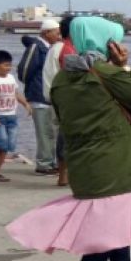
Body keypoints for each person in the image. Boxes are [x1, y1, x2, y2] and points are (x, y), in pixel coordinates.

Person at [6, 16, 131, 261]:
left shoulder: (63, 78)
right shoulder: (105, 72)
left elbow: (62, 114)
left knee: (111, 228)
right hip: (112, 165)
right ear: (107, 42)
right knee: (101, 240)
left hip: (83, 164)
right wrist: (125, 66)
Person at [0, 50, 32, 181]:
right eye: (5, 65)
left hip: (11, 116)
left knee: (8, 145)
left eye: (9, 65)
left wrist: (25, 104)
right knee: (1, 143)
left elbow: (16, 93)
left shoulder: (11, 78)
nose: (8, 68)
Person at [19, 20, 61, 174]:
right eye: (56, 32)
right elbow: (23, 71)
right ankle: (44, 164)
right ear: (46, 33)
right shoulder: (37, 47)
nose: (58, 35)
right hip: (39, 97)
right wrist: (36, 86)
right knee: (45, 132)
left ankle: (51, 161)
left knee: (52, 132)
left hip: (49, 97)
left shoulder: (49, 48)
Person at [43, 16, 77, 186]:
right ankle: (65, 175)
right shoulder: (67, 49)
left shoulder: (54, 48)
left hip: (53, 98)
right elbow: (72, 76)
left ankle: (63, 174)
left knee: (62, 136)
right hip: (64, 100)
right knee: (67, 137)